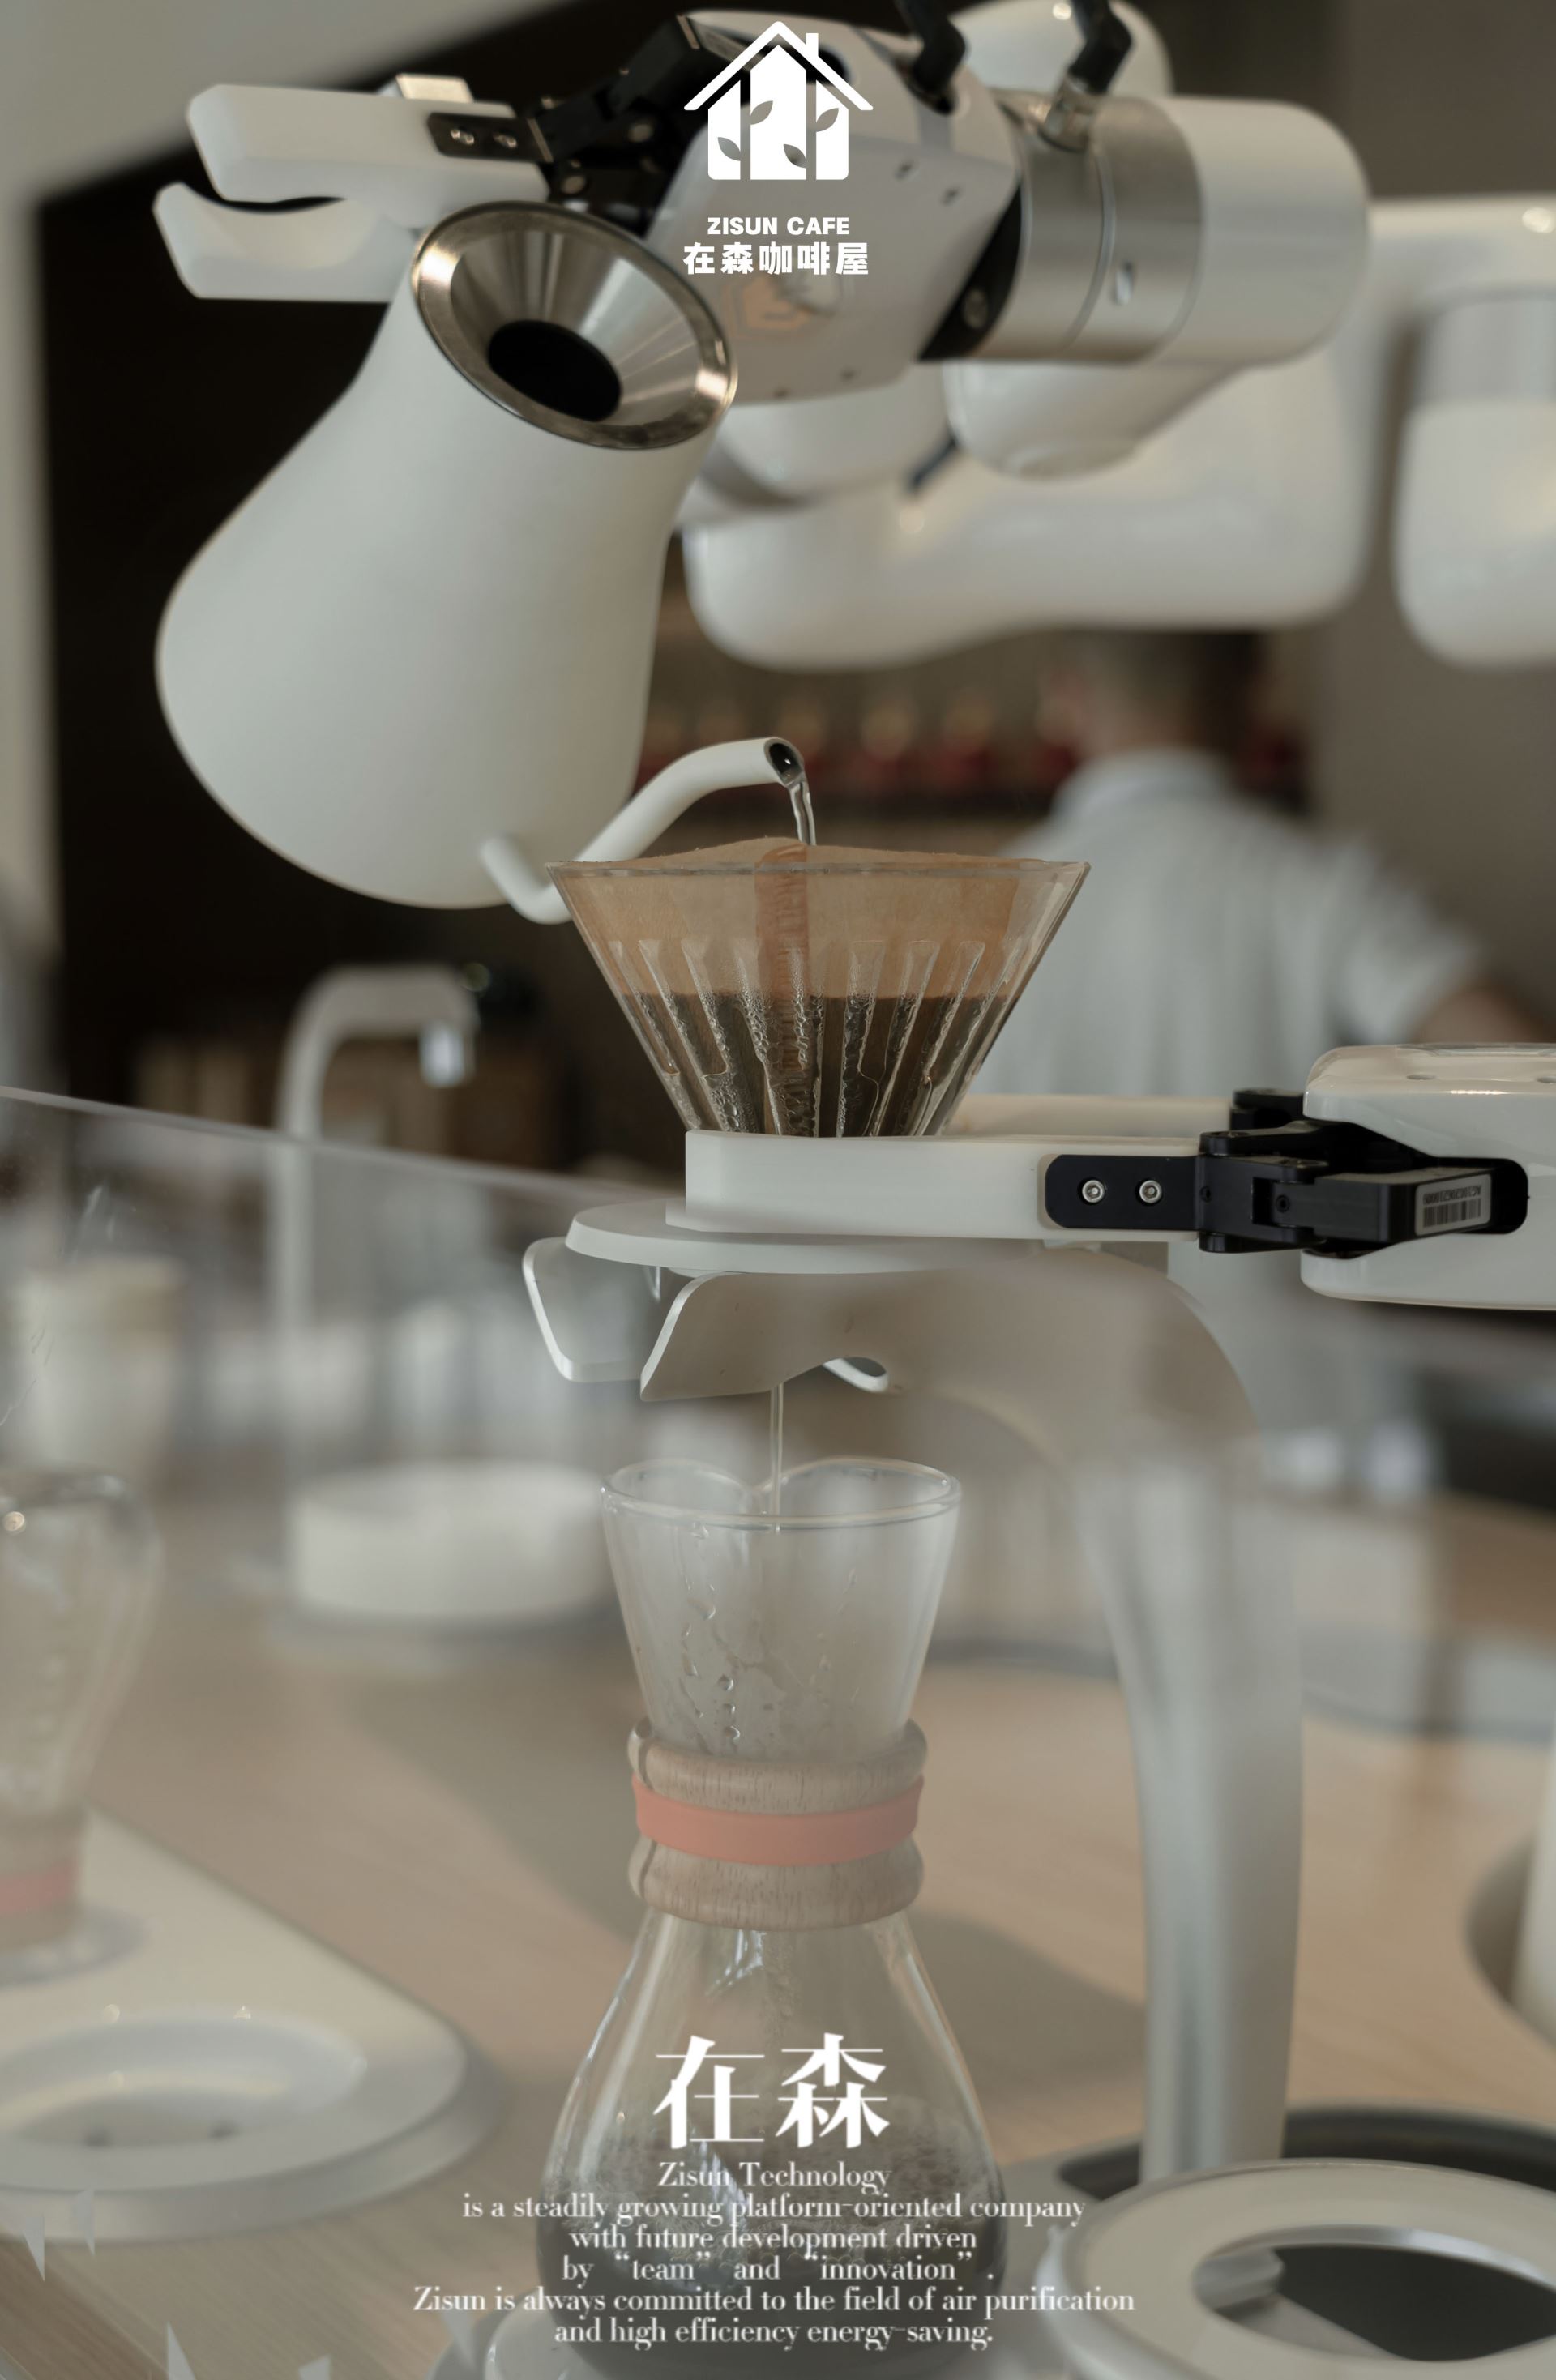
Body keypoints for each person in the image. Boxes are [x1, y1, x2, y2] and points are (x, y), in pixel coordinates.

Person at [977, 630, 1545, 1102]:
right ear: (1259, 688)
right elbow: (1525, 1071)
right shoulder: (1325, 883)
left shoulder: (984, 903)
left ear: (1066, 696)